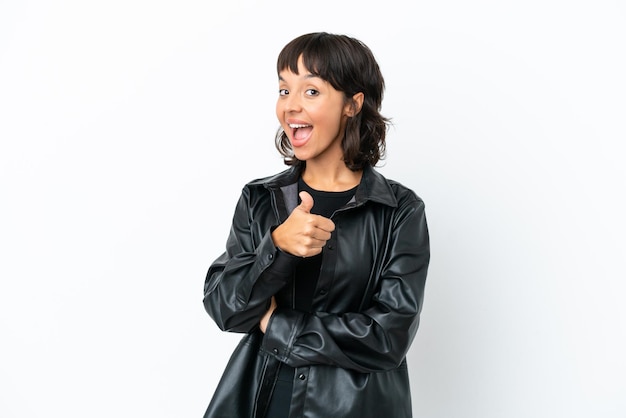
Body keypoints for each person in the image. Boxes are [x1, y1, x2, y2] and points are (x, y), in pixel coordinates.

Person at [202, 32, 430, 418]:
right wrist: (277, 247)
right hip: (263, 402)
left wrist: (276, 323)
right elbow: (226, 308)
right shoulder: (260, 200)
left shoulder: (399, 210)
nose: (290, 107)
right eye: (283, 89)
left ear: (352, 104)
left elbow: (388, 337)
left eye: (311, 92)